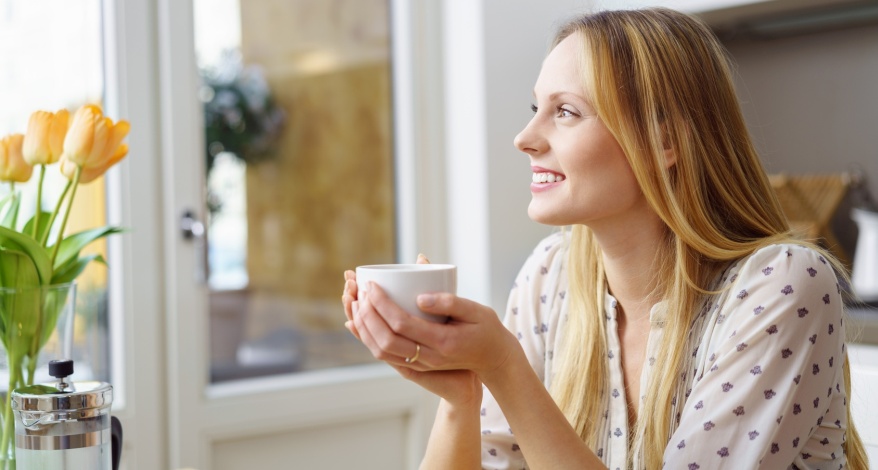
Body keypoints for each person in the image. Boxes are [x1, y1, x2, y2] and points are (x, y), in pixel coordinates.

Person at [341, 7, 868, 470]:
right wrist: (462, 393)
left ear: (663, 140)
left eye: (565, 112)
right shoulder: (549, 275)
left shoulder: (782, 285)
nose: (525, 139)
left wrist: (503, 366)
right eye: (535, 109)